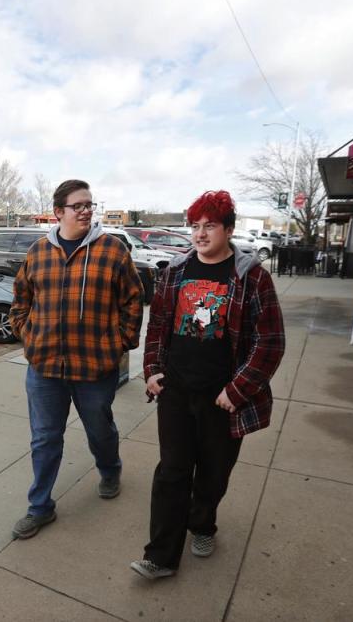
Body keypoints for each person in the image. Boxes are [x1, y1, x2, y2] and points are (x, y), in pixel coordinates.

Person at [131, 190, 284, 579]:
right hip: (176, 391)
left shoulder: (251, 278)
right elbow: (159, 327)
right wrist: (151, 370)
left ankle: (202, 525)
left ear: (228, 230)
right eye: (195, 226)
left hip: (223, 398)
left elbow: (270, 342)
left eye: (209, 226)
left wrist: (237, 391)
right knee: (172, 472)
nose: (200, 234)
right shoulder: (175, 272)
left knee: (214, 473)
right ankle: (160, 556)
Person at [9, 179, 145, 540]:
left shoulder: (112, 251)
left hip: (94, 367)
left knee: (100, 430)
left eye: (89, 205)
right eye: (78, 206)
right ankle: (40, 507)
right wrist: (27, 335)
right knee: (44, 438)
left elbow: (133, 299)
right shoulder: (38, 252)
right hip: (45, 368)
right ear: (58, 212)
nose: (86, 211)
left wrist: (120, 343)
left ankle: (110, 468)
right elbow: (21, 297)